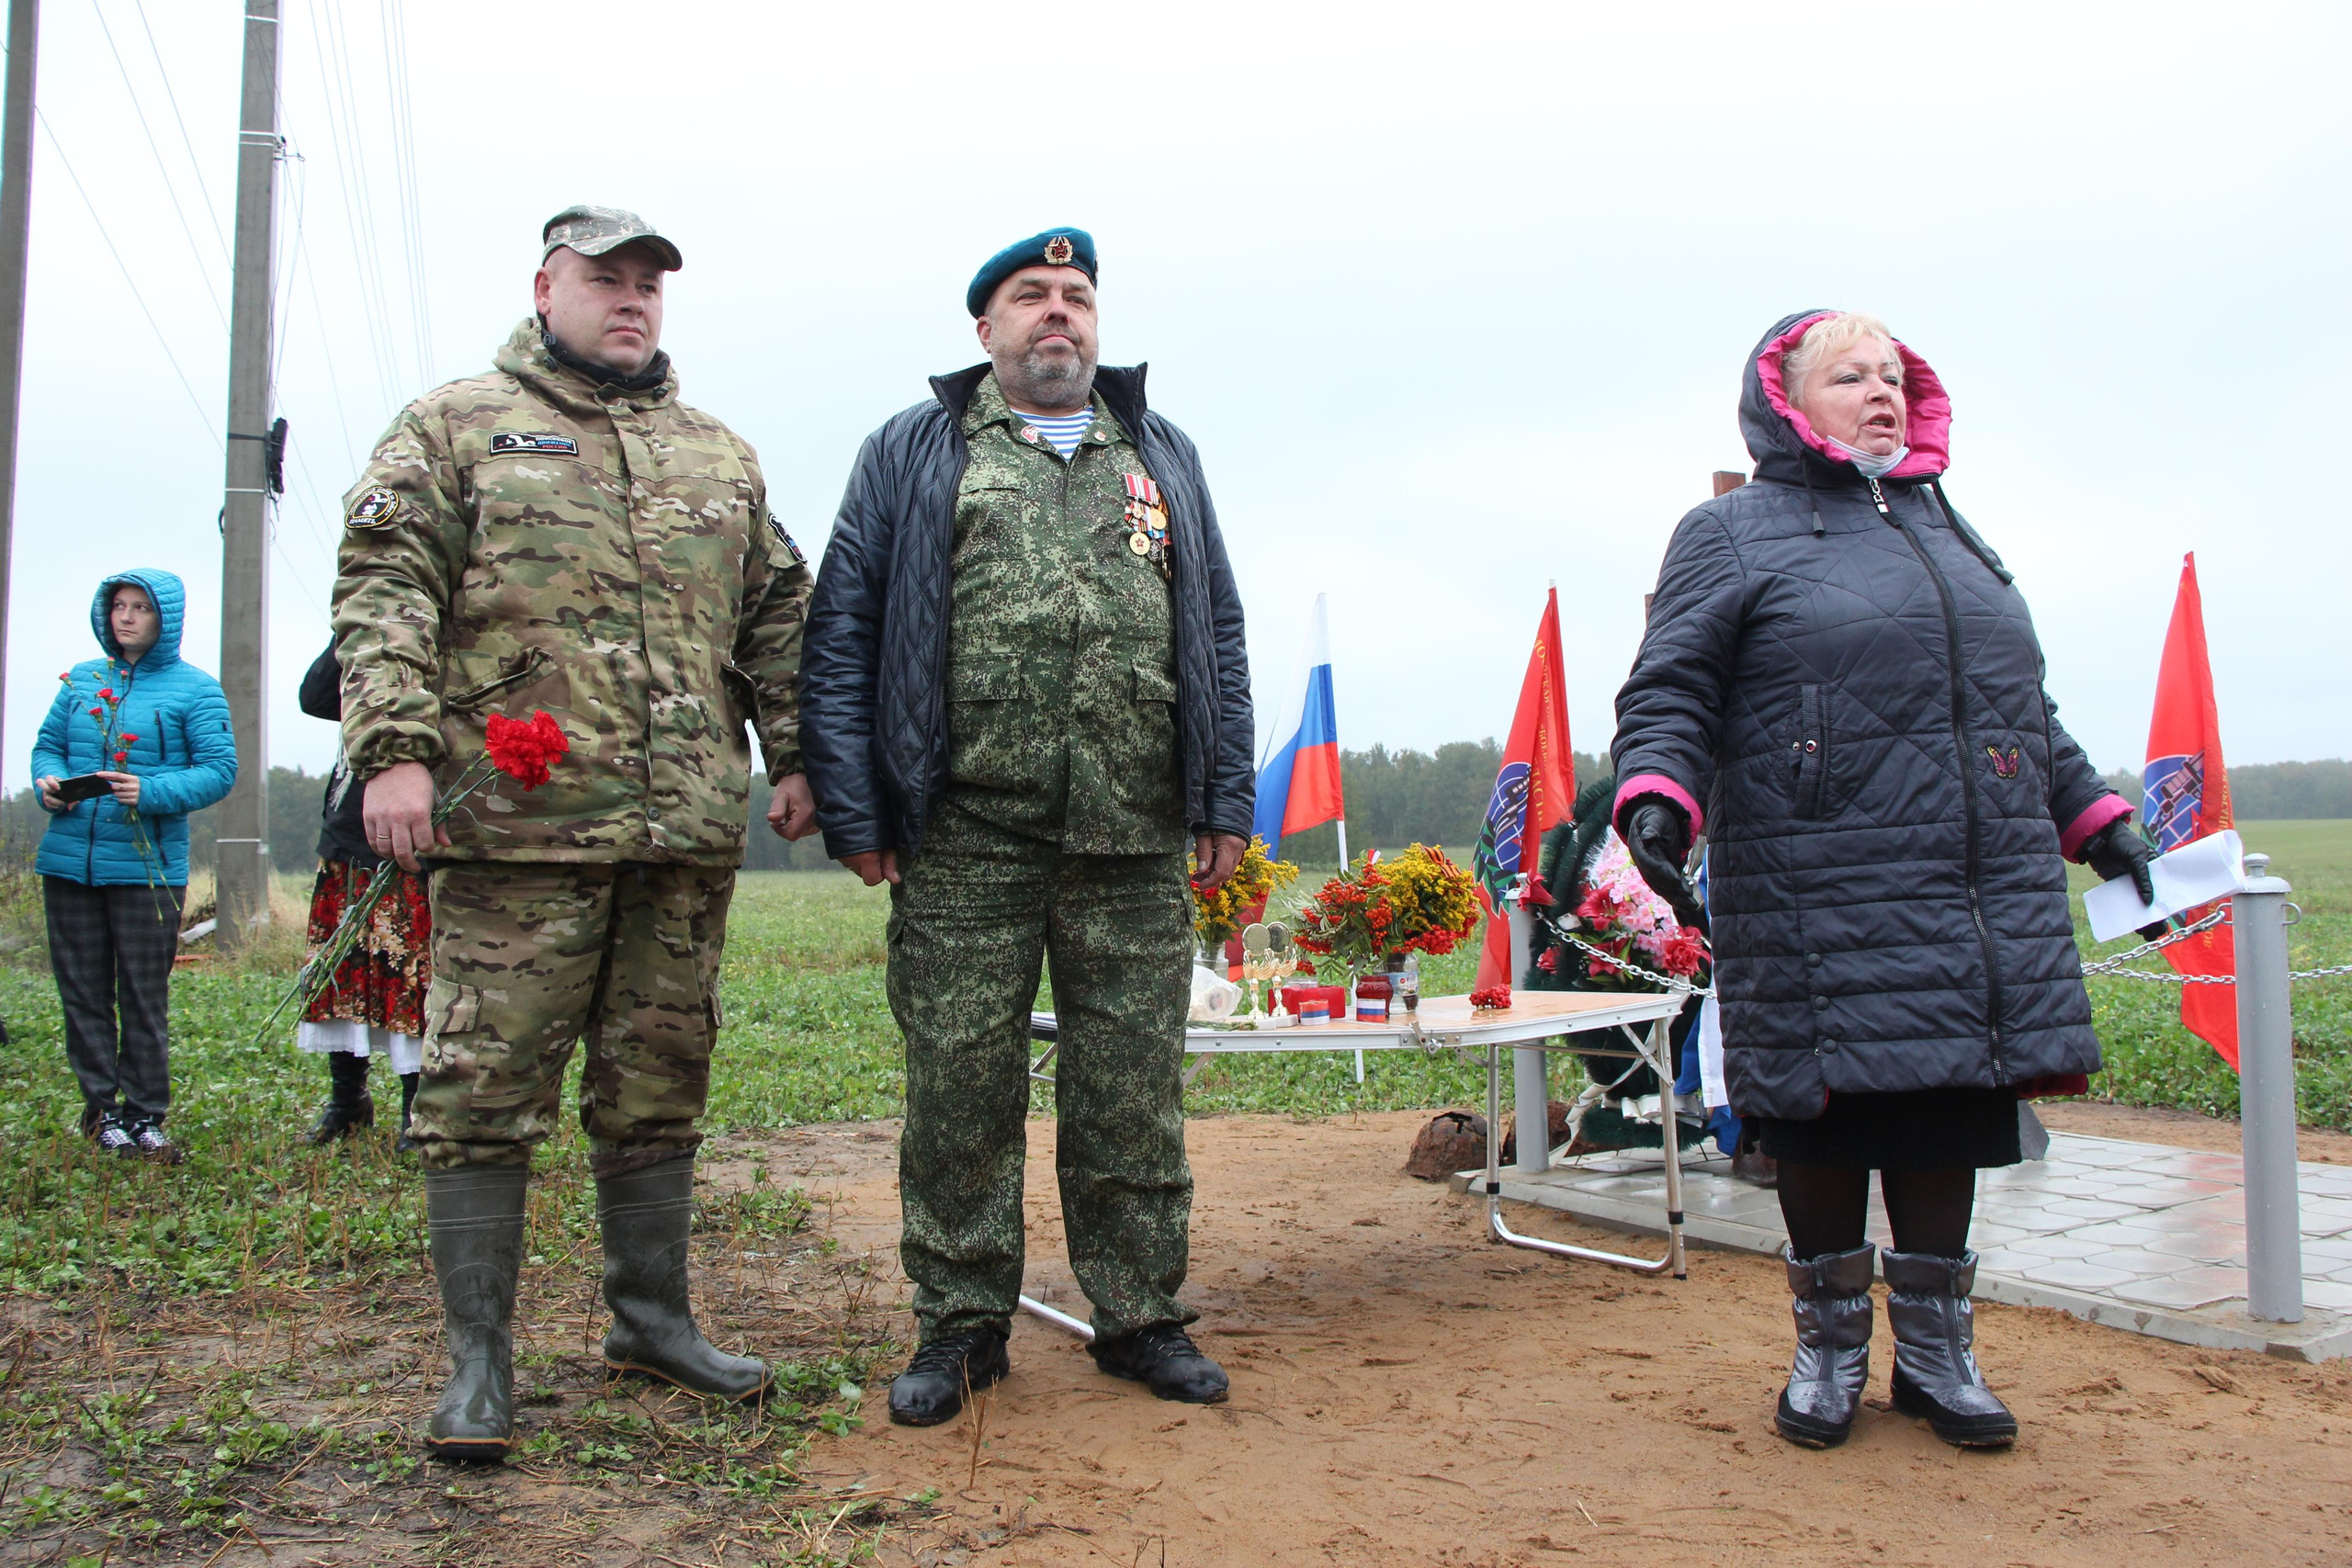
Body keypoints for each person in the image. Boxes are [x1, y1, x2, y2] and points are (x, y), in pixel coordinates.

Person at [1610, 310, 2159, 1452]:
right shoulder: (1731, 531)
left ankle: (1938, 1360)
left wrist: (2094, 817)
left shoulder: (1950, 533)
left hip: (1970, 880)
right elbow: (1671, 685)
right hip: (1820, 874)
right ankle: (1828, 1355)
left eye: (1894, 377)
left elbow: (2016, 708)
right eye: (1848, 376)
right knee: (1824, 1118)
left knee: (1944, 1110)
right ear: (1784, 402)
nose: (1879, 393)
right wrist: (1657, 792)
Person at [332, 205, 818, 1461]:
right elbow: (383, 590)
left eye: (651, 282)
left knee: (659, 1079)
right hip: (515, 824)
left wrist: (806, 758)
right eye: (606, 278)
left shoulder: (719, 455)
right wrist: (391, 748)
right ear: (545, 285)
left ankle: (651, 1317)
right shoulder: (454, 427)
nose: (632, 300)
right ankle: (477, 1365)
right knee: (481, 1093)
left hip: (679, 830)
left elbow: (778, 617)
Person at [801, 228, 1255, 1427]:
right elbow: (843, 629)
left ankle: (1140, 1313)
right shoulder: (916, 450)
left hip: (1132, 830)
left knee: (1129, 1089)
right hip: (966, 834)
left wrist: (1224, 800)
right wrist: (858, 805)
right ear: (986, 327)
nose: (1058, 315)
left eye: (1076, 297)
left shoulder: (1160, 451)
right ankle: (959, 1322)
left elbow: (1215, 626)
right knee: (961, 1086)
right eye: (1031, 297)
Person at [31, 570, 237, 1162]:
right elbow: (48, 746)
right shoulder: (81, 682)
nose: (125, 618)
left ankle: (146, 1115)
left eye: (139, 608)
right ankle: (101, 1114)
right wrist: (48, 784)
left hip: (147, 872)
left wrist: (147, 789)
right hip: (70, 863)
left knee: (143, 996)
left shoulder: (195, 690)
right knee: (84, 995)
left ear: (164, 617)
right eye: (117, 607)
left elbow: (218, 771)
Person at [294, 639, 427, 1150]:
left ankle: (417, 1111)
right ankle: (347, 1102)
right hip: (351, 831)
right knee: (342, 974)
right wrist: (351, 627)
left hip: (416, 832)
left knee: (411, 981)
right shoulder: (370, 638)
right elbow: (316, 697)